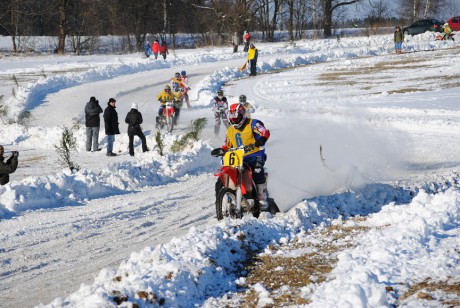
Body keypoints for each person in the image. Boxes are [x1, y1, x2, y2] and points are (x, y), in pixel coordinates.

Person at [212, 102, 271, 211]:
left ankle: (262, 196)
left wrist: (262, 139)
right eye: (232, 119)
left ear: (242, 115)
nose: (235, 121)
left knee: (257, 169)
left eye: (237, 118)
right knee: (225, 171)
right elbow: (228, 144)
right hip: (239, 156)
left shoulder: (253, 123)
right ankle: (220, 202)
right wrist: (221, 150)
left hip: (255, 154)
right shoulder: (230, 130)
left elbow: (265, 132)